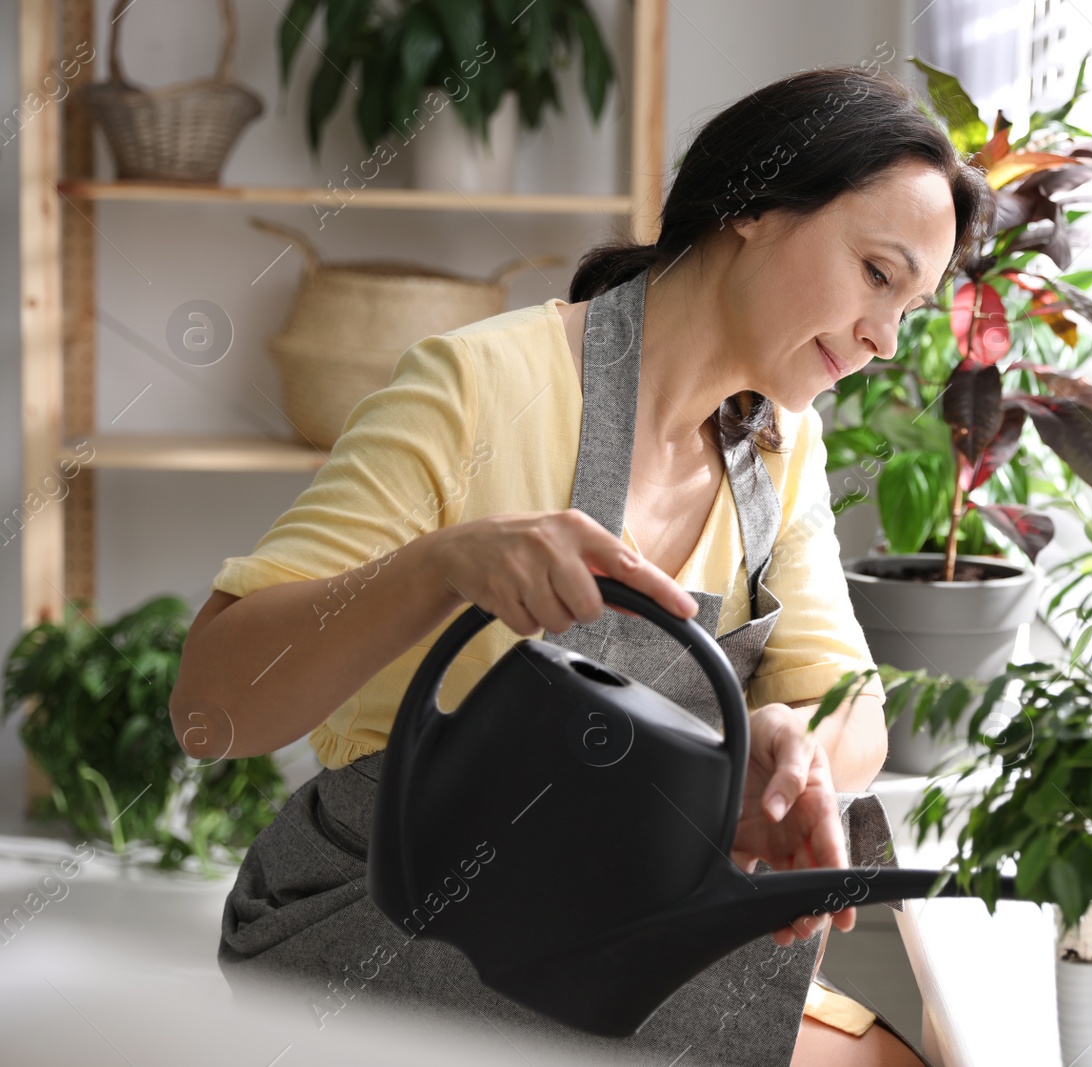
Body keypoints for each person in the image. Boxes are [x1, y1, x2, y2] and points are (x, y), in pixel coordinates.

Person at [170, 64, 995, 1067]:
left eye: (909, 305)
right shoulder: (477, 383)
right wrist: (442, 566)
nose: (883, 337)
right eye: (877, 273)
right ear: (750, 203)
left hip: (602, 914)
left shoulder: (783, 447)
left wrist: (792, 745)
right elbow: (211, 708)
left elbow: (849, 706)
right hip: (401, 906)